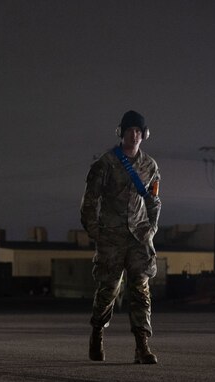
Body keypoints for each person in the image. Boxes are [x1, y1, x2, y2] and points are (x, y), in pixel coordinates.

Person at [80, 110, 162, 364]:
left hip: (138, 237)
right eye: (130, 130)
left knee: (141, 289)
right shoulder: (105, 164)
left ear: (145, 134)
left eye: (138, 131)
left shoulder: (150, 166)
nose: (134, 135)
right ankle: (97, 332)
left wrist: (151, 229)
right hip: (111, 238)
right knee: (109, 289)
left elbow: (154, 202)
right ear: (121, 132)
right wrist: (96, 232)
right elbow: (89, 202)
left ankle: (142, 345)